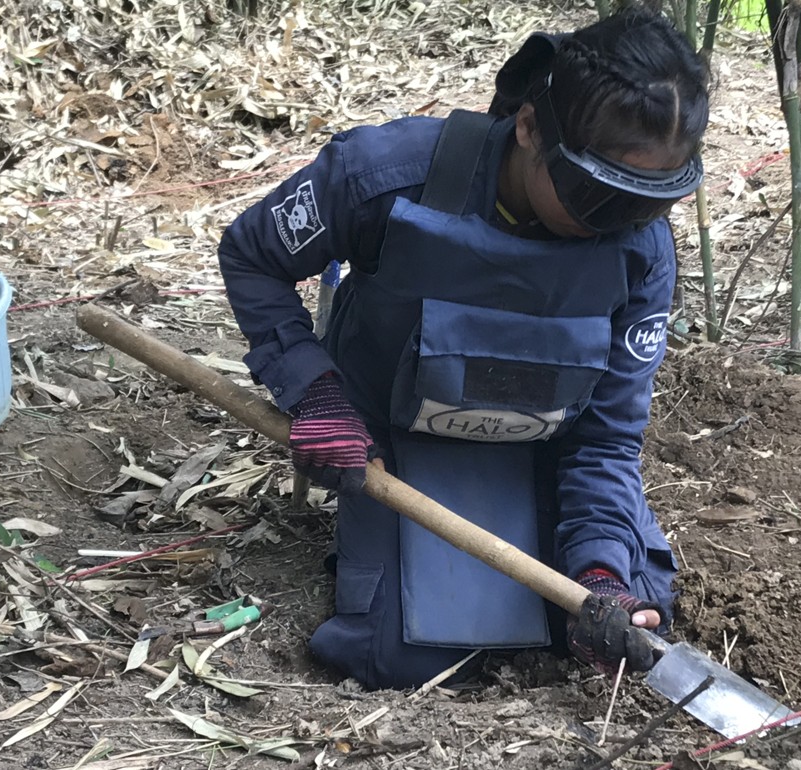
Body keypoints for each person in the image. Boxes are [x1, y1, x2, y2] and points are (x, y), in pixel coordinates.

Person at [218, 8, 709, 689]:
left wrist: (599, 571)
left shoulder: (639, 255)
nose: (620, 226)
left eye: (648, 203)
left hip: (541, 442)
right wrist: (315, 392)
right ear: (530, 129)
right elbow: (252, 254)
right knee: (409, 655)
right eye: (596, 195)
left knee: (614, 627)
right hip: (393, 438)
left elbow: (605, 439)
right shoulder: (385, 177)